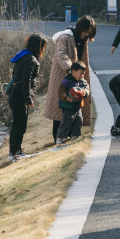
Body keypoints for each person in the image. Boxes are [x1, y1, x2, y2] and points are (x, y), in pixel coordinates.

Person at [44, 15, 96, 143]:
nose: (86, 35)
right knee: (60, 107)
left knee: (75, 105)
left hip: (76, 75)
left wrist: (79, 73)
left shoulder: (83, 39)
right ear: (81, 28)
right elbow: (61, 54)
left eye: (89, 34)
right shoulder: (65, 37)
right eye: (86, 32)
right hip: (63, 74)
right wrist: (71, 70)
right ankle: (57, 137)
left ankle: (71, 135)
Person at [8, 33, 47, 161]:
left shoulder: (23, 55)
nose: (44, 50)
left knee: (17, 125)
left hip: (15, 93)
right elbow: (26, 80)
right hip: (20, 95)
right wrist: (28, 98)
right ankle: (16, 153)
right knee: (20, 125)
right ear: (39, 46)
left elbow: (15, 75)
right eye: (43, 47)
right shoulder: (31, 60)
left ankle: (13, 152)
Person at [55, 61, 90, 144]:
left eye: (83, 74)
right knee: (67, 120)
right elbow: (60, 92)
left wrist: (85, 92)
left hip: (77, 106)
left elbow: (87, 89)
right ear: (73, 72)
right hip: (67, 106)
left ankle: (75, 136)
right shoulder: (66, 81)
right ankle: (60, 137)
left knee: (78, 120)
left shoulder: (83, 82)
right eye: (80, 73)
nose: (82, 76)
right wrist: (66, 97)